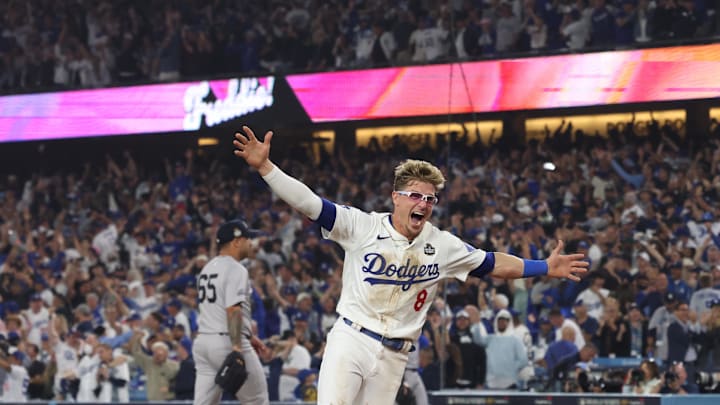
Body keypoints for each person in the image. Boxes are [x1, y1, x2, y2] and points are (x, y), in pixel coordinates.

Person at [233, 125, 588, 405]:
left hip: (395, 354)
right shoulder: (362, 226)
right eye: (416, 195)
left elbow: (492, 263)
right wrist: (266, 167)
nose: (424, 203)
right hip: (352, 338)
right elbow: (309, 203)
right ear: (396, 197)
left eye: (430, 198)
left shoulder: (442, 244)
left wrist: (543, 266)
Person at [192, 220, 270, 405]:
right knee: (257, 400)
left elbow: (217, 308)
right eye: (247, 238)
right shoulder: (236, 268)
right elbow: (233, 310)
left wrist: (249, 336)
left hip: (203, 343)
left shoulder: (207, 268)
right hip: (227, 342)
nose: (250, 243)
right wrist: (237, 347)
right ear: (236, 241)